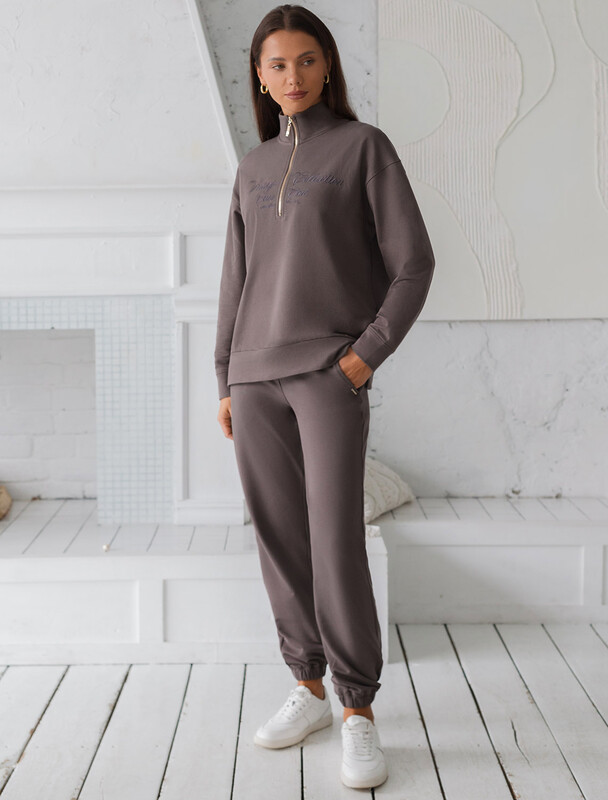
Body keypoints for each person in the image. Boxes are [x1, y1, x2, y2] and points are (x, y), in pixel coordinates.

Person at [215, 4, 435, 790]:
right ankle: (307, 687)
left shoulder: (364, 148)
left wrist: (364, 358)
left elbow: (414, 264)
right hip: (254, 381)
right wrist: (225, 377)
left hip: (327, 374)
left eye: (306, 60)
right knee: (280, 541)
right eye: (277, 65)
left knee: (336, 539)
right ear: (259, 77)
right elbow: (236, 281)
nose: (293, 77)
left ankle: (357, 711)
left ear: (329, 65)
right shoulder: (253, 167)